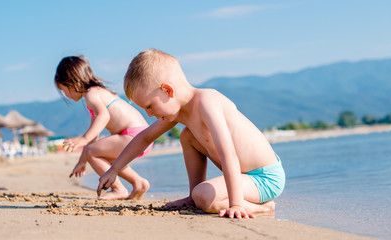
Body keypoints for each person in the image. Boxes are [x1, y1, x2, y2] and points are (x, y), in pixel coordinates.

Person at [98, 49, 285, 218]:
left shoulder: (206, 103)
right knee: (187, 136)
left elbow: (229, 155)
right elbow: (145, 137)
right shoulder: (179, 113)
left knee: (204, 197)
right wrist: (114, 169)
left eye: (150, 106)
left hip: (265, 178)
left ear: (167, 90)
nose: (149, 114)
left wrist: (235, 205)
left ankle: (262, 207)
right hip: (245, 177)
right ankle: (193, 195)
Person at [54, 55, 152, 200]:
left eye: (64, 91)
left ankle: (118, 188)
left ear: (70, 82)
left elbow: (103, 117)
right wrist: (82, 160)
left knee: (92, 152)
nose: (66, 96)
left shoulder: (91, 94)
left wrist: (83, 139)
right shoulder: (97, 93)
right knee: (100, 152)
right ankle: (138, 182)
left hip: (133, 136)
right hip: (141, 136)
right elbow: (95, 136)